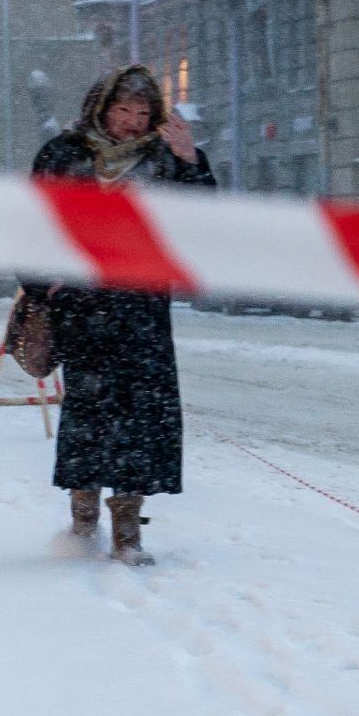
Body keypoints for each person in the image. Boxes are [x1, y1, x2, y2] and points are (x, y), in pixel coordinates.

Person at [25, 64, 217, 565]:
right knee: (89, 414)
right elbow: (31, 221)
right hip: (83, 306)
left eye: (142, 112)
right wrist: (39, 283)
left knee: (142, 418)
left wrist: (189, 159)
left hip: (142, 307)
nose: (132, 121)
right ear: (101, 107)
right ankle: (83, 518)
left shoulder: (165, 159)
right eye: (123, 110)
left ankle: (128, 532)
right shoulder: (64, 154)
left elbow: (204, 224)